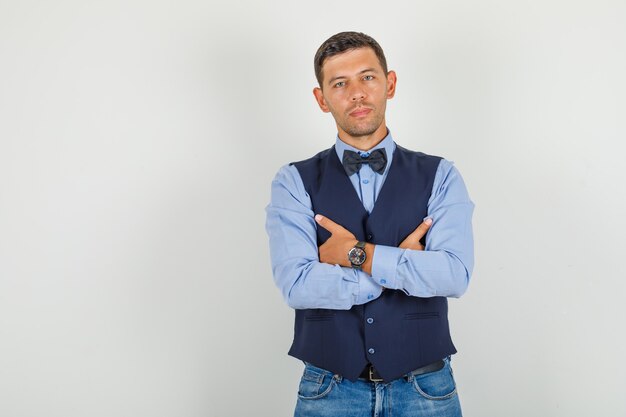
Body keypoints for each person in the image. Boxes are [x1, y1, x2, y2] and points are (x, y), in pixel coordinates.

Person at [265, 31, 474, 417]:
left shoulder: (441, 175)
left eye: (368, 77)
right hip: (329, 389)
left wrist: (354, 254)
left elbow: (454, 275)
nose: (357, 93)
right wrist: (400, 268)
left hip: (426, 387)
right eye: (339, 83)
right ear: (321, 99)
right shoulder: (292, 181)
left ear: (389, 84)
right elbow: (296, 285)